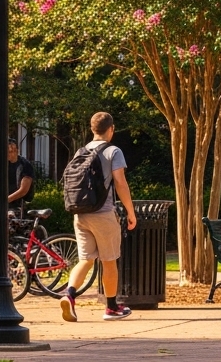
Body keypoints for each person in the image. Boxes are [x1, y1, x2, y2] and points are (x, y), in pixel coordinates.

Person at [60, 112, 137, 322]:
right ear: (111, 129)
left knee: (85, 260)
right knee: (109, 261)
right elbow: (120, 183)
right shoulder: (113, 151)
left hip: (81, 214)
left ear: (93, 129)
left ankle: (69, 294)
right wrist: (131, 212)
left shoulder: (81, 151)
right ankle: (112, 308)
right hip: (103, 213)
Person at [7, 137, 36, 218]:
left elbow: (23, 190)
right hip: (4, 204)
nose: (9, 153)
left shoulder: (25, 165)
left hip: (19, 205)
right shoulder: (3, 165)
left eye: (11, 151)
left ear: (16, 150)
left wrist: (6, 200)